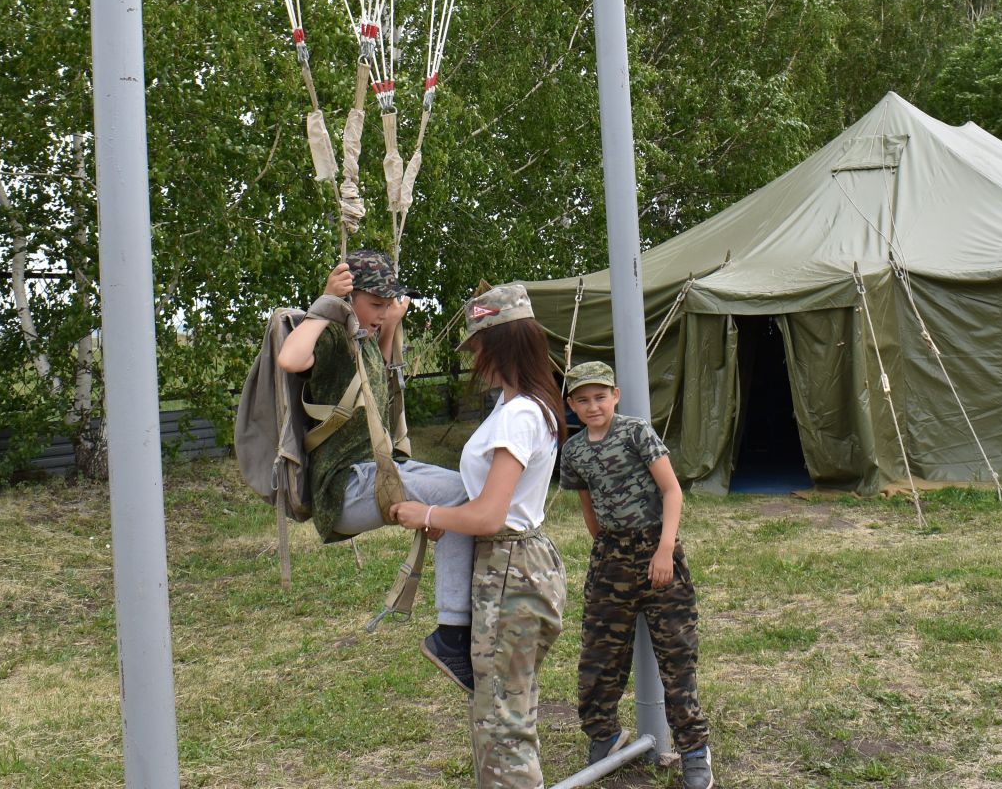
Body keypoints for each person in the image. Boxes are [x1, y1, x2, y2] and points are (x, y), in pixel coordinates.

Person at [391, 283, 565, 789]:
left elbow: (489, 515)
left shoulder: (518, 415)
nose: (474, 359)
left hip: (509, 568)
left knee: (503, 728)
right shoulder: (521, 405)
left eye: (478, 346)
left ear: (502, 344)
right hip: (519, 565)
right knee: (506, 711)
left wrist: (427, 514)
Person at [277, 249, 476, 684]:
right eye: (377, 305)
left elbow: (378, 384)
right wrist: (325, 303)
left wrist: (389, 326)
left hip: (374, 472)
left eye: (390, 304)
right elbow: (291, 360)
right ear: (350, 300)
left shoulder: (363, 338)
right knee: (461, 499)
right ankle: (453, 630)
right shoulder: (332, 334)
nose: (384, 312)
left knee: (466, 491)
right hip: (345, 488)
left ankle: (464, 622)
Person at [559, 360, 713, 789]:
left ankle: (694, 750)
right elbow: (586, 503)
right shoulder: (573, 451)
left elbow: (671, 489)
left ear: (616, 396)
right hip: (611, 560)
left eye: (601, 397)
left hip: (656, 552)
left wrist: (665, 549)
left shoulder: (635, 432)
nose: (593, 406)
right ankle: (604, 736)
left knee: (677, 657)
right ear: (571, 404)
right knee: (598, 656)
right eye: (583, 399)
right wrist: (605, 546)